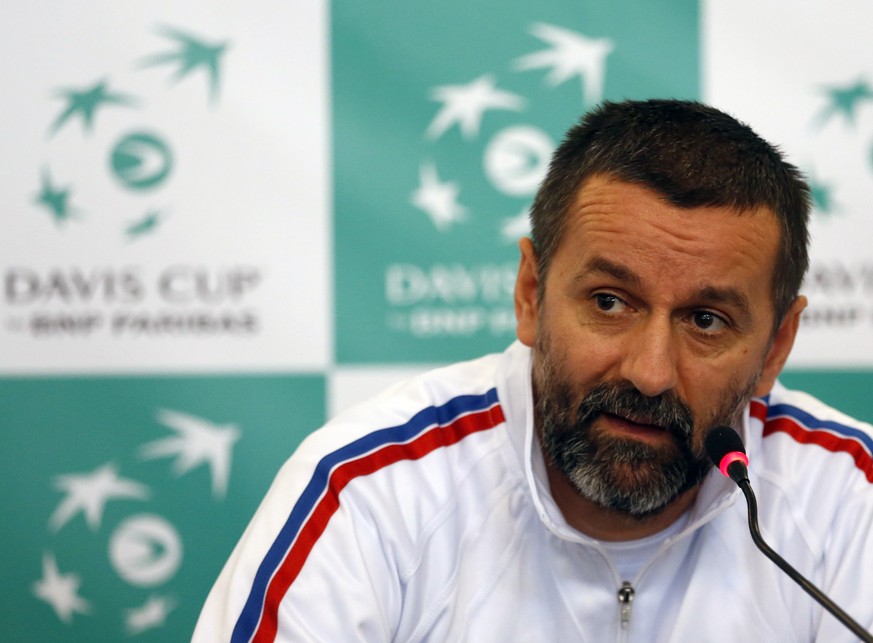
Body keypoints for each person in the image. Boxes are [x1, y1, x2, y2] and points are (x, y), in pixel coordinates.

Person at [193, 100, 873, 642]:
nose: (649, 372)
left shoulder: (851, 498)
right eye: (609, 302)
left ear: (776, 346)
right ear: (530, 294)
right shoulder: (368, 489)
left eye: (704, 320)